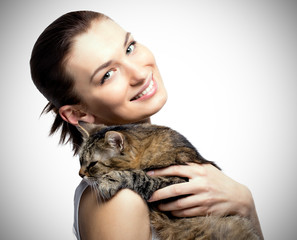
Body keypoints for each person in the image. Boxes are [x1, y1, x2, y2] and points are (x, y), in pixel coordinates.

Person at [30, 10, 264, 240]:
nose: (140, 74)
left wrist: (245, 205)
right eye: (108, 74)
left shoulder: (149, 168)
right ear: (77, 113)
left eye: (129, 48)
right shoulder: (118, 198)